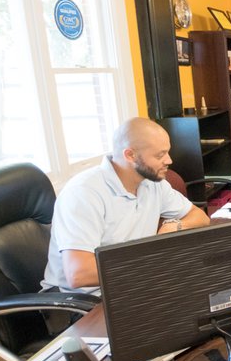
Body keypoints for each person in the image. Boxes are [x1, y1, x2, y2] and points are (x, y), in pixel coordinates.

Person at [41, 117, 210, 295]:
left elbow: (199, 217)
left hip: (129, 284)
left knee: (205, 289)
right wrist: (153, 263)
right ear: (130, 155)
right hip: (83, 299)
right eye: (159, 155)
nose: (169, 160)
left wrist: (176, 226)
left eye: (168, 152)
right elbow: (79, 275)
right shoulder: (83, 193)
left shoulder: (153, 183)